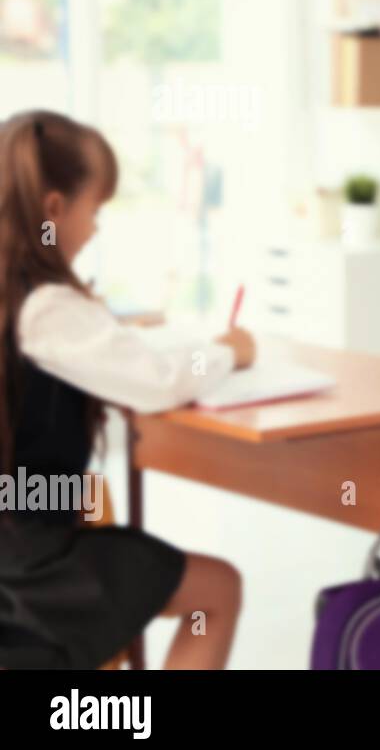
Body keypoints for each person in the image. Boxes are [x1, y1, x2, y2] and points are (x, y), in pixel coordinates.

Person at [0, 109, 249, 669]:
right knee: (217, 591)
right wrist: (232, 351)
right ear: (54, 210)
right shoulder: (45, 307)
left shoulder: (20, 297)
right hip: (28, 560)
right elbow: (157, 384)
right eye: (96, 209)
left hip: (22, 531)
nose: (96, 229)